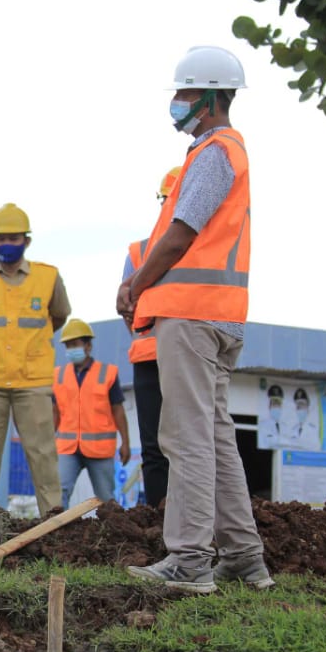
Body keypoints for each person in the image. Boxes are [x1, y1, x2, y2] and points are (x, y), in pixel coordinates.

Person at [119, 45, 274, 593]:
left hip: (192, 316)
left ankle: (188, 561)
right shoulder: (227, 152)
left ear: (209, 99)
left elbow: (180, 234)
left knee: (185, 438)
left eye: (185, 94)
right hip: (220, 316)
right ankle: (244, 558)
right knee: (214, 438)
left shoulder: (214, 153)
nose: (178, 104)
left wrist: (138, 286)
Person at [0, 203, 69, 516]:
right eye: (1, 238)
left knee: (43, 454)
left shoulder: (48, 277)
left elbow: (58, 316)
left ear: (26, 241)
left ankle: (53, 520)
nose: (7, 244)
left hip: (32, 380)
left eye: (14, 238)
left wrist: (34, 344)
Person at [124, 167, 179, 507]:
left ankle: (195, 523)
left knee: (190, 445)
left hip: (188, 355)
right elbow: (128, 308)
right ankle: (161, 520)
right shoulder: (138, 252)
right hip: (149, 358)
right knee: (154, 447)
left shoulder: (205, 250)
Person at [52, 319, 131, 507]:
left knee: (105, 498)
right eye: (68, 345)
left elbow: (117, 410)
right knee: (58, 494)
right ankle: (54, 533)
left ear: (88, 346)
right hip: (67, 448)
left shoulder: (107, 373)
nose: (71, 349)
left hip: (99, 450)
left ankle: (112, 534)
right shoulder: (59, 375)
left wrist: (125, 443)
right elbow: (55, 412)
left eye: (75, 344)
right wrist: (48, 443)